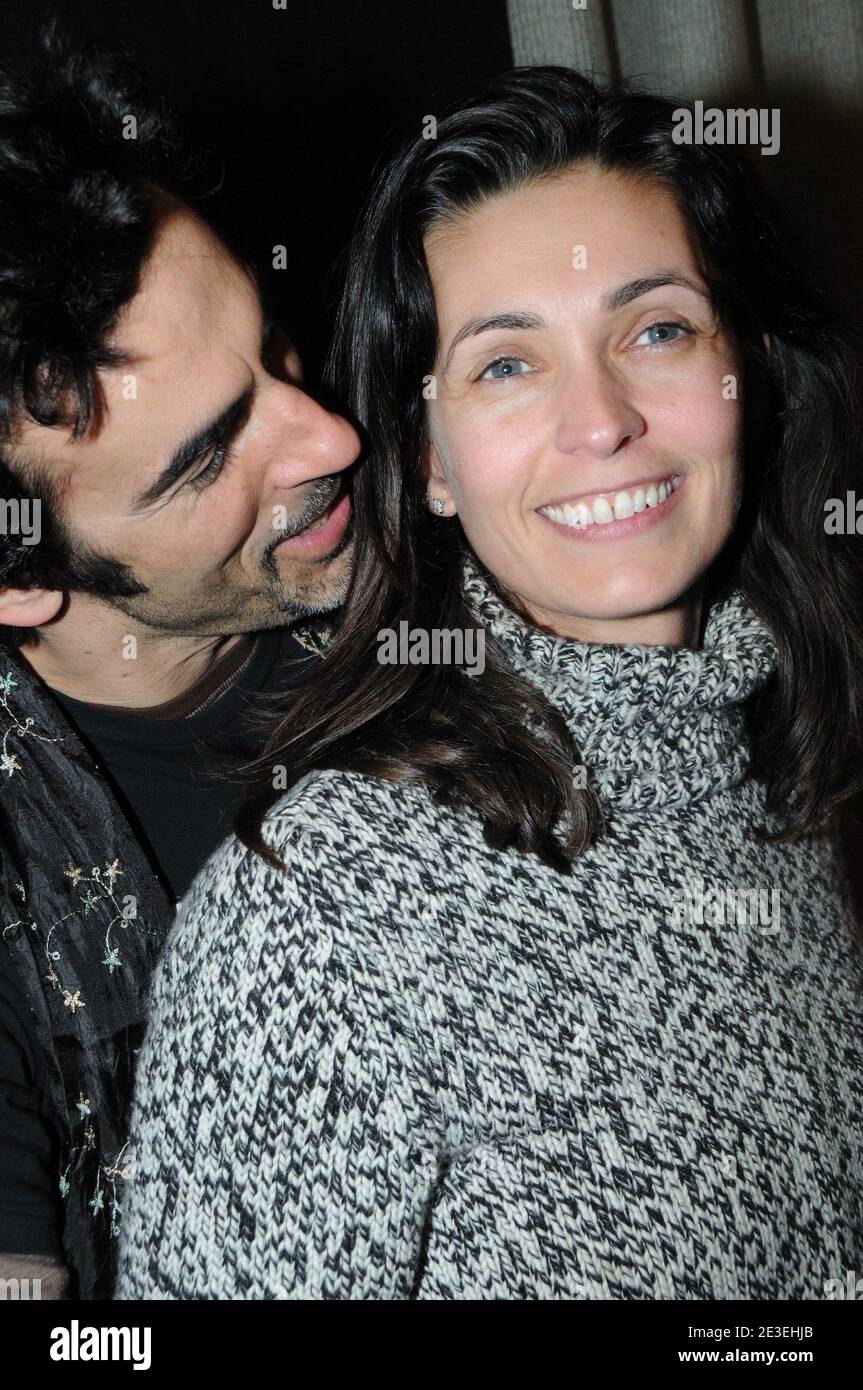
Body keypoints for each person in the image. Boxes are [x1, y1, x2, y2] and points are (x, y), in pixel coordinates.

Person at [116, 67, 863, 1300]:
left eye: (656, 328)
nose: (600, 419)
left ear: (756, 375)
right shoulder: (321, 921)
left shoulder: (771, 772)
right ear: (430, 464)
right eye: (504, 365)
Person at [0, 25, 359, 1298]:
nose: (328, 436)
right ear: (19, 576)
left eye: (276, 351)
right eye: (209, 457)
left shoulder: (448, 605)